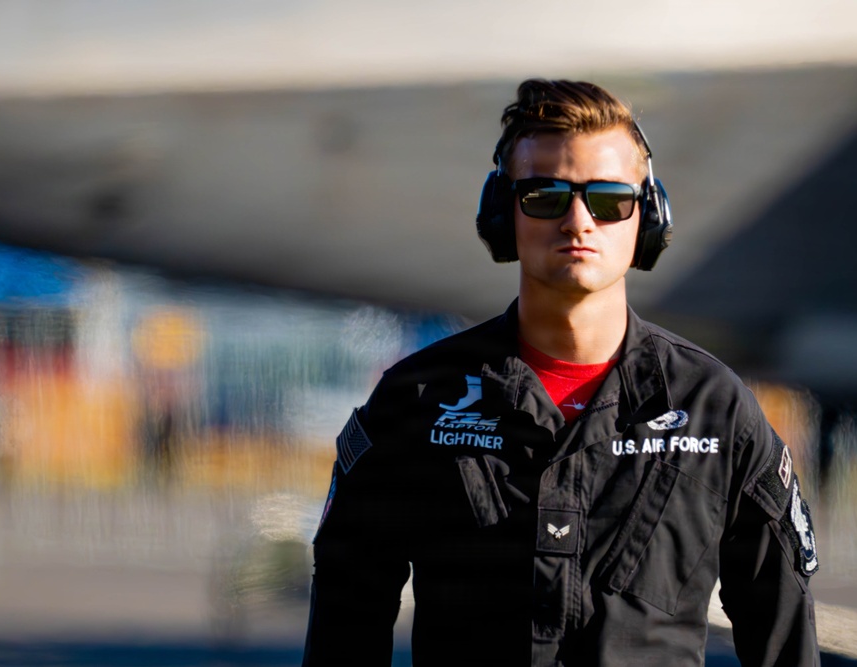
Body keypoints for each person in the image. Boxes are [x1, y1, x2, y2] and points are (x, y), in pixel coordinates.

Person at [303, 79, 820, 666]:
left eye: (609, 200)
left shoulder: (714, 408)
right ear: (502, 215)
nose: (578, 221)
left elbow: (784, 640)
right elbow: (345, 627)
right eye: (545, 196)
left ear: (648, 217)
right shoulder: (415, 402)